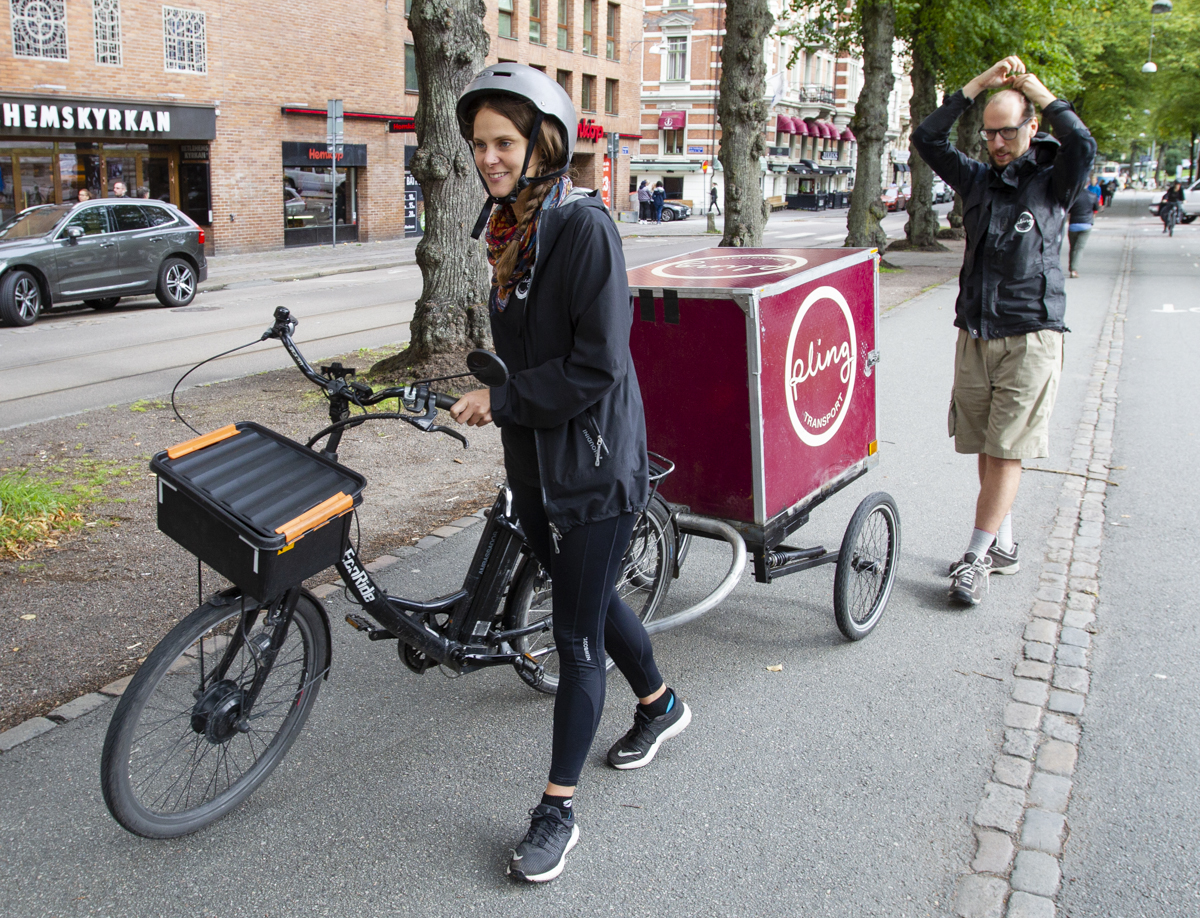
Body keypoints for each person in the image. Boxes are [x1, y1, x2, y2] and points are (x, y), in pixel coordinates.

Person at [449, 62, 692, 883]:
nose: (488, 157)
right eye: (479, 143)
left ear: (544, 143)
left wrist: (504, 398)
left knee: (576, 636)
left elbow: (597, 365)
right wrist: (495, 388)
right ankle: (661, 704)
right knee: (589, 599)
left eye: (503, 142)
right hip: (538, 465)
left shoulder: (582, 228)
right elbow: (527, 345)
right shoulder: (508, 230)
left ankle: (556, 810)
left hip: (593, 467)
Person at [912, 55, 1096, 607]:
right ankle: (1004, 545)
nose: (996, 142)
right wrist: (979, 85)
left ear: (1031, 127)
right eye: (990, 133)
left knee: (1007, 449)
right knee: (987, 447)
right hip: (976, 332)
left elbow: (1082, 143)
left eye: (1007, 131)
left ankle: (975, 559)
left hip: (1031, 332)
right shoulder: (976, 179)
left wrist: (1041, 92)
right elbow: (927, 138)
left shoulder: (1054, 180)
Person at [1066, 185, 1096, 277]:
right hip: (1086, 225)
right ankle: (1074, 270)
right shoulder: (1092, 195)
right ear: (1087, 184)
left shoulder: (1073, 196)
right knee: (1079, 248)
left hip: (1073, 224)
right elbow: (1096, 209)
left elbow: (1068, 210)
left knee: (1073, 247)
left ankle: (1072, 267)